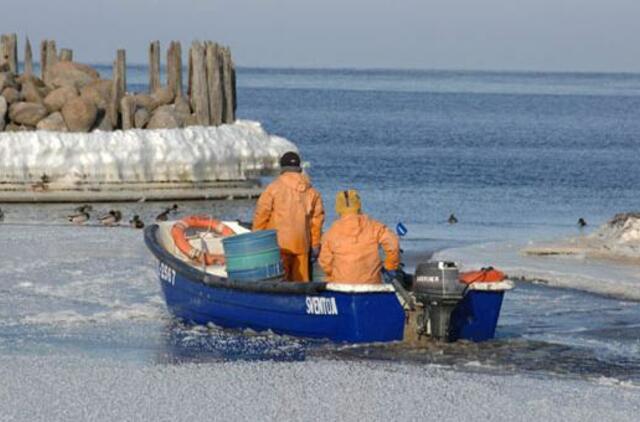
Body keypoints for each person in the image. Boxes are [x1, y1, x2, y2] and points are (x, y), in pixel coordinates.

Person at [253, 151, 324, 282]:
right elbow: (317, 221)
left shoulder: (273, 188)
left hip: (278, 245)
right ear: (299, 168)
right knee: (301, 284)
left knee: (280, 283)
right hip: (302, 245)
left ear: (282, 168)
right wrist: (315, 244)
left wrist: (256, 238)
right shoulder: (312, 192)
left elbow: (261, 215)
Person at [318, 190, 400, 284]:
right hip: (371, 284)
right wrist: (390, 266)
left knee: (328, 278)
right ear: (358, 206)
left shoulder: (330, 233)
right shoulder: (373, 226)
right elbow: (393, 243)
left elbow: (325, 263)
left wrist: (335, 273)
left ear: (338, 209)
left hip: (341, 285)